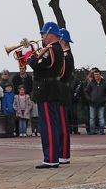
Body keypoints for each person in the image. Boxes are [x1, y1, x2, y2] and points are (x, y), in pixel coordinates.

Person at [22, 21, 64, 169]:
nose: (41, 36)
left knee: (48, 126)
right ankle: (51, 157)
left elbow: (38, 64)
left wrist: (28, 55)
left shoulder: (52, 49)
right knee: (48, 125)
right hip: (47, 89)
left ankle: (51, 158)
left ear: (50, 33)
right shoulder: (53, 49)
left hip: (46, 90)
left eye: (43, 33)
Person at [58, 28, 75, 165]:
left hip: (63, 92)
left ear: (62, 40)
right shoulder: (65, 55)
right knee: (60, 124)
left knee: (63, 125)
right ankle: (61, 153)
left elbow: (62, 74)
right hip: (61, 91)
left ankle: (64, 154)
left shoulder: (66, 56)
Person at [84, 69, 106, 135]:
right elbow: (86, 91)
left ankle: (101, 131)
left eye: (97, 74)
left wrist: (104, 100)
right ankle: (92, 131)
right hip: (92, 103)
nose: (96, 76)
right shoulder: (91, 82)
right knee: (92, 118)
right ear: (94, 75)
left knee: (101, 118)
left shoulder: (105, 83)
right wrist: (89, 99)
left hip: (101, 103)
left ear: (100, 75)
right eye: (95, 74)